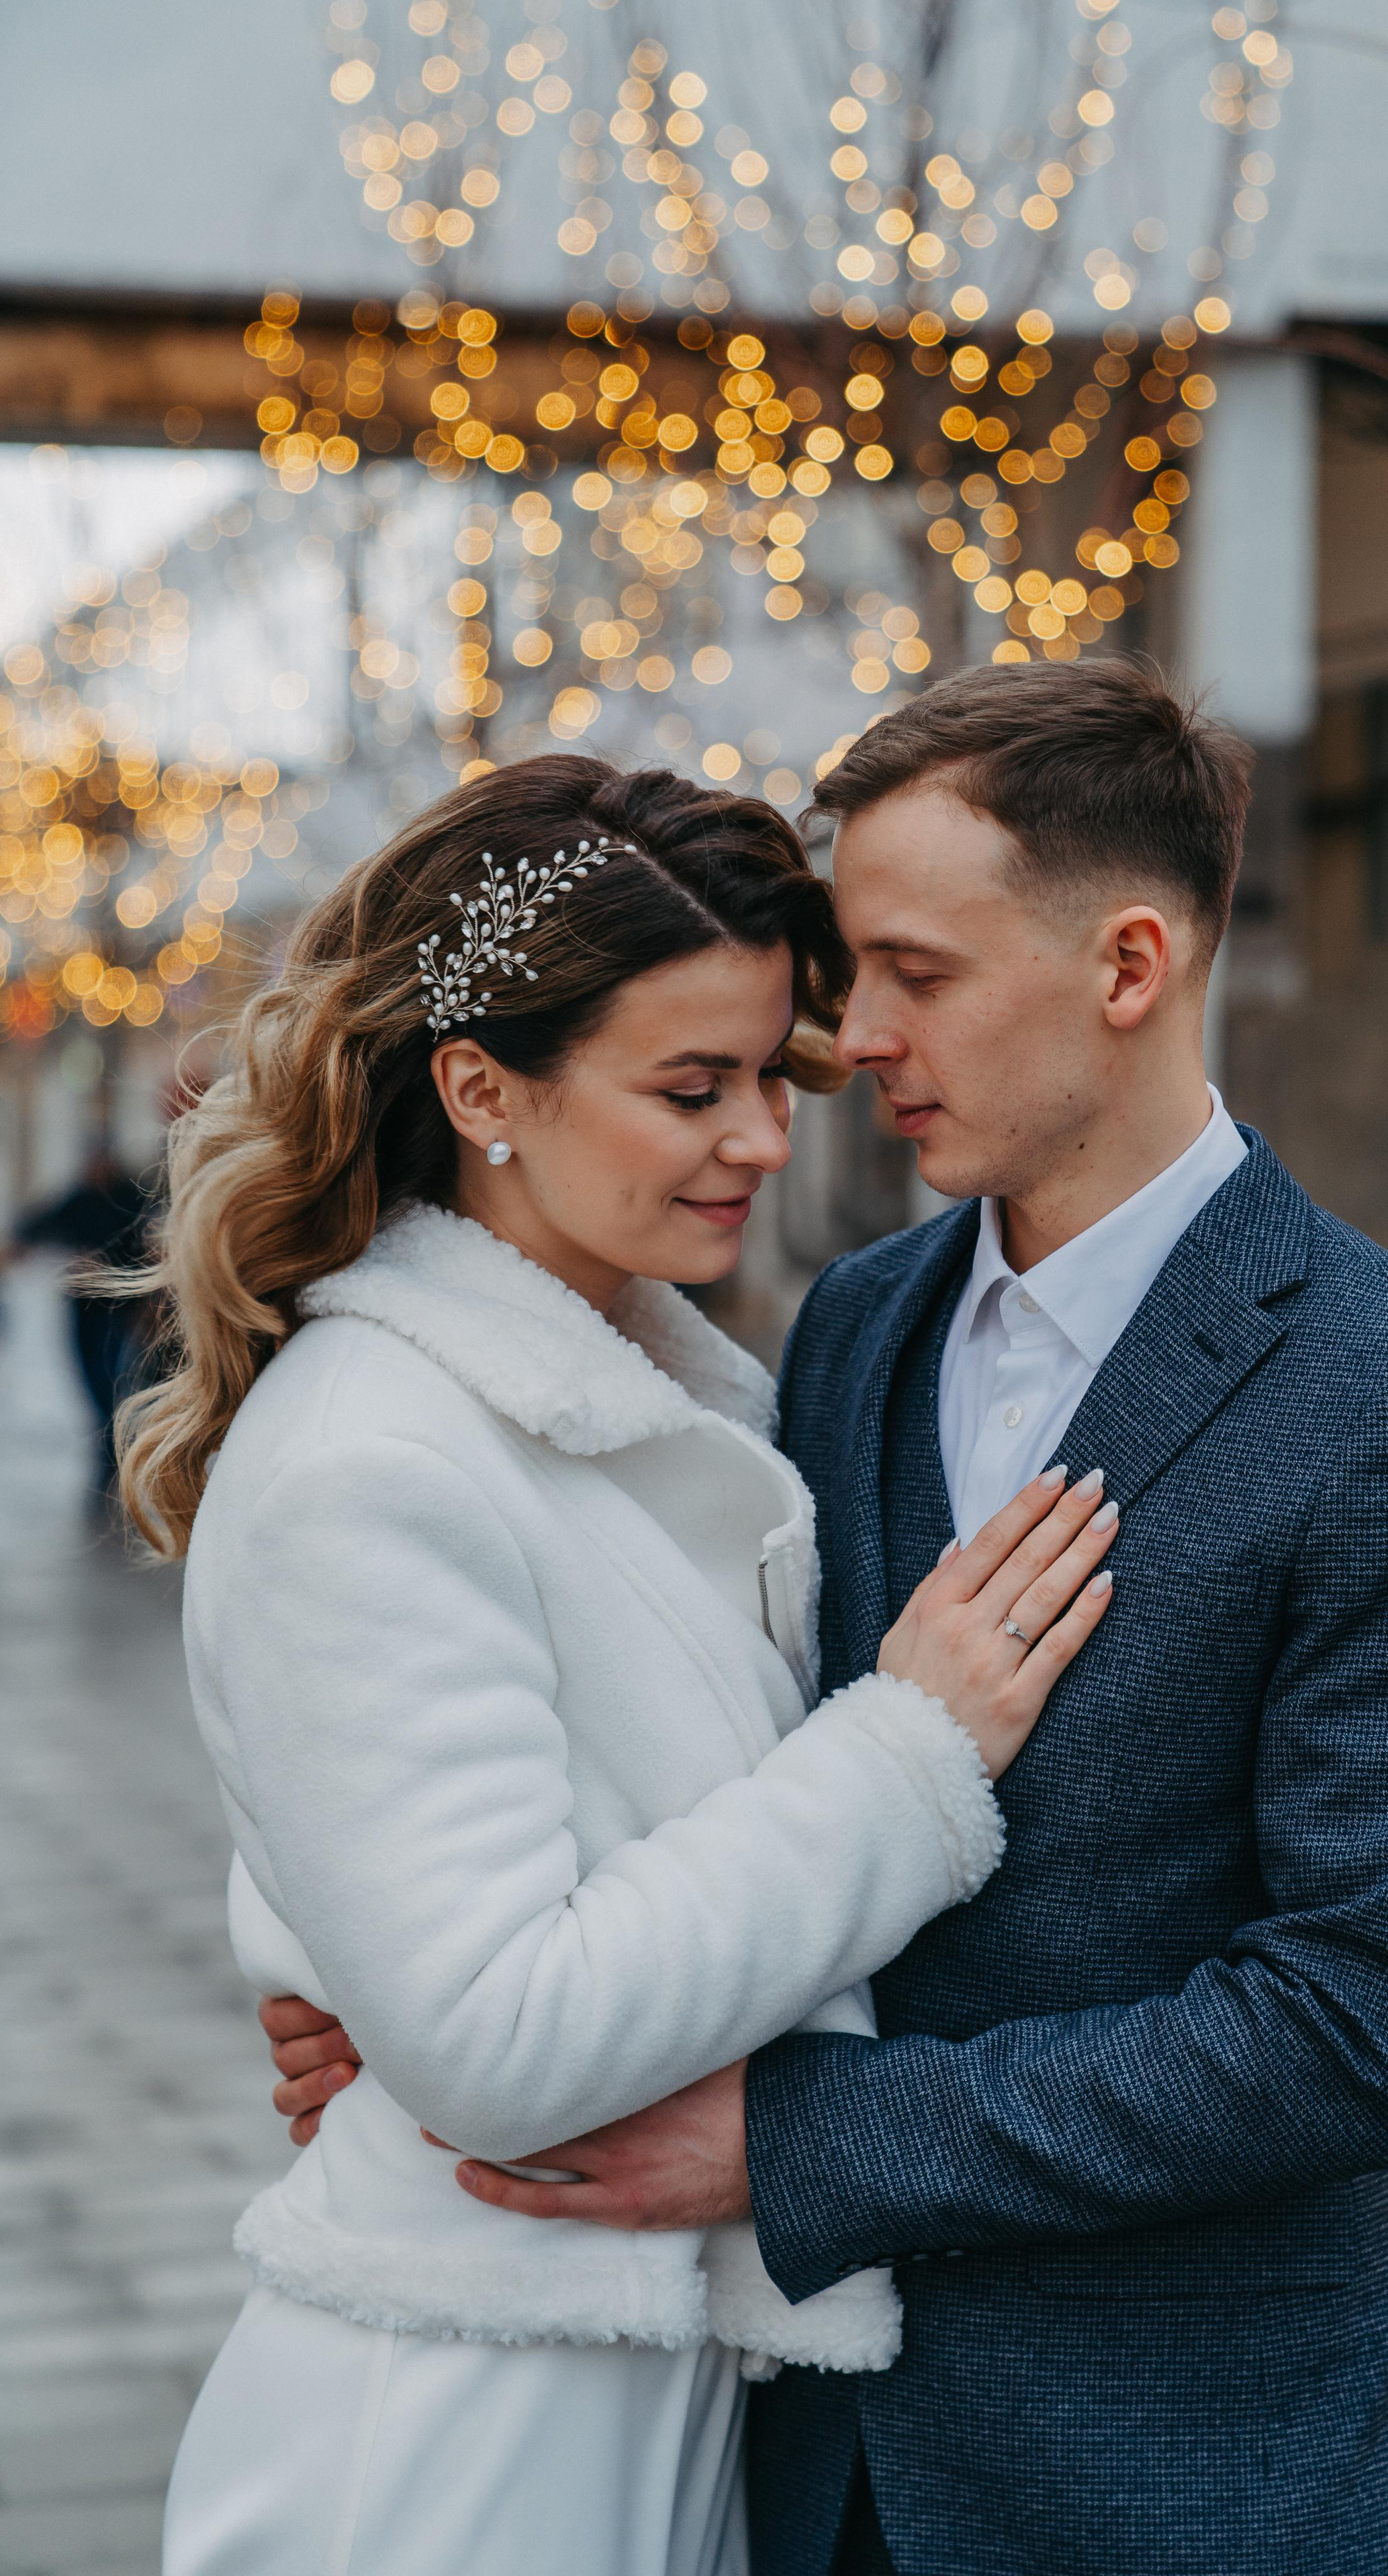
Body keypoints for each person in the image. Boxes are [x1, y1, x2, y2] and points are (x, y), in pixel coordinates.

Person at [270, 663, 1388, 2576]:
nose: (853, 1036)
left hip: (1194, 2471)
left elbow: (1357, 2027)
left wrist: (799, 2143)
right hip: (803, 2473)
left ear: (1128, 964)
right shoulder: (853, 1323)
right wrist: (418, 1989)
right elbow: (713, 1754)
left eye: (914, 972)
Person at [124, 754, 1119, 2576]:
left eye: (764, 1076)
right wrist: (914, 1747)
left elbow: (499, 1944)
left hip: (630, 2376)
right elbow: (501, 2037)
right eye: (690, 1087)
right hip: (457, 2432)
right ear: (484, 1087)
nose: (762, 1138)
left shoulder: (657, 1411)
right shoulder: (377, 1456)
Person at [6, 1147, 154, 1490]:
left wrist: (106, 1264)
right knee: (88, 1371)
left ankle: (112, 1441)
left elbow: (143, 1248)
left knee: (112, 1372)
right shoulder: (80, 1198)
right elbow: (37, 1225)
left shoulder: (131, 1199)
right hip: (83, 1305)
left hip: (119, 1305)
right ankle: (107, 1436)